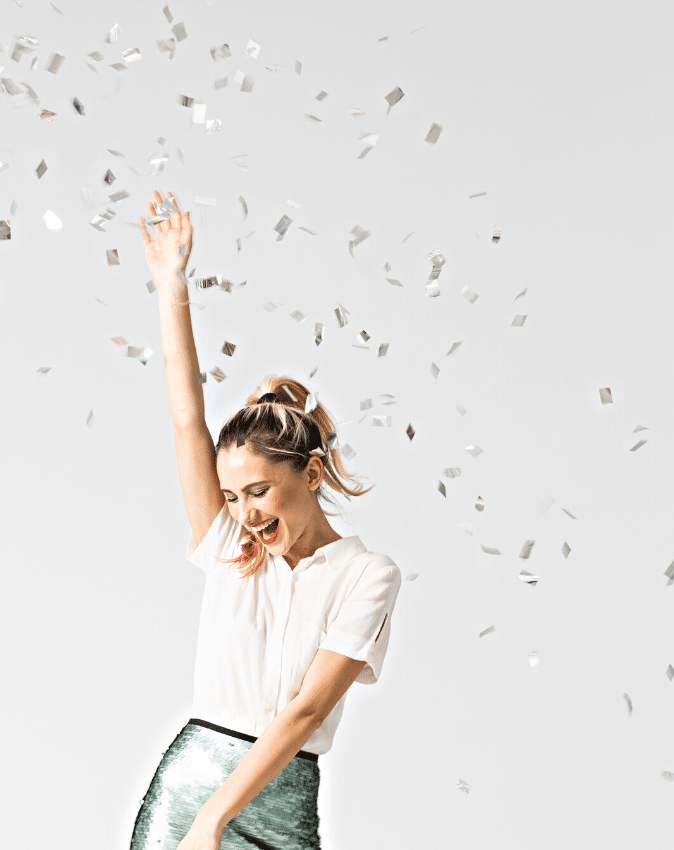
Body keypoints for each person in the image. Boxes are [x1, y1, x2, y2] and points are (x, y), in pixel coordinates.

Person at [129, 190, 403, 850]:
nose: (244, 514)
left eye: (259, 492)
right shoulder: (228, 547)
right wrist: (172, 285)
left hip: (279, 793)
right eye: (231, 497)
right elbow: (187, 417)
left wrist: (216, 819)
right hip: (191, 783)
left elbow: (307, 710)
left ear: (310, 474)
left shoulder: (368, 576)